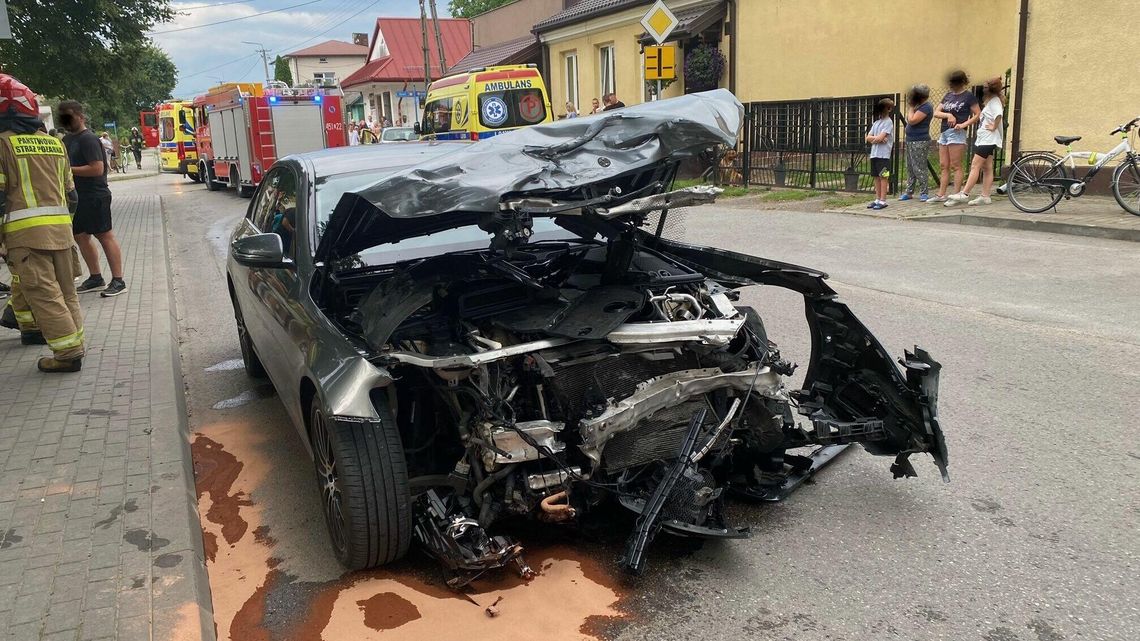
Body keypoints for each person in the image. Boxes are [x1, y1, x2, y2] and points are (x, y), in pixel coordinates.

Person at [0, 74, 86, 372]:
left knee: (45, 295)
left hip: (25, 238)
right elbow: (71, 196)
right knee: (66, 293)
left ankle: (67, 355)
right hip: (62, 234)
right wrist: (65, 226)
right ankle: (74, 345)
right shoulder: (54, 144)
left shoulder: (3, 145)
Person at [58, 100, 127, 297]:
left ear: (80, 116)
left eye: (69, 115)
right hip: (77, 196)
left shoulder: (88, 139)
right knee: (80, 236)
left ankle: (118, 280)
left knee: (104, 235)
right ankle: (96, 277)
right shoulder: (67, 140)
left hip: (95, 195)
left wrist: (66, 170)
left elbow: (97, 168)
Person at [946, 77, 1005, 207]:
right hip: (985, 139)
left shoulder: (995, 102)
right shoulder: (992, 101)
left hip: (988, 140)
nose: (983, 90)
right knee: (987, 167)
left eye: (985, 88)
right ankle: (985, 196)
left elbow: (999, 115)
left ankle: (965, 193)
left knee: (975, 165)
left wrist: (994, 127)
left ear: (989, 90)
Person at [929, 70, 980, 203]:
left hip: (957, 133)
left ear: (962, 82)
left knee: (956, 165)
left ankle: (957, 195)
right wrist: (948, 115)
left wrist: (963, 124)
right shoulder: (948, 95)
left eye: (955, 83)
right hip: (944, 132)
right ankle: (941, 194)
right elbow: (936, 112)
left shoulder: (969, 97)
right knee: (943, 165)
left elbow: (977, 114)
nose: (952, 86)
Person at [900, 84, 933, 201]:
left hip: (920, 140)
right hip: (910, 140)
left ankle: (924, 192)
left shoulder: (926, 107)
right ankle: (909, 192)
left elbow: (912, 120)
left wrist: (910, 108)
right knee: (910, 167)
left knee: (919, 167)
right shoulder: (918, 106)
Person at [865, 98, 895, 210]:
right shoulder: (876, 123)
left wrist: (876, 138)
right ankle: (877, 198)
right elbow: (868, 137)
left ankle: (883, 200)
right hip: (874, 154)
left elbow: (880, 137)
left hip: (884, 156)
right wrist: (876, 138)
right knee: (876, 176)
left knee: (884, 176)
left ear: (889, 109)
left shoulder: (889, 122)